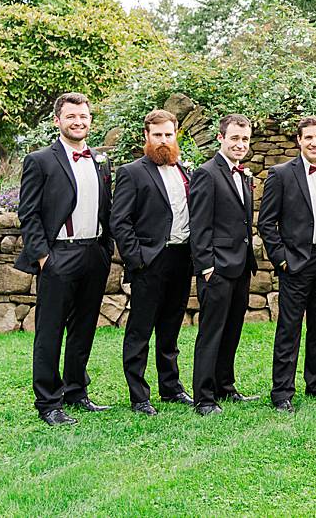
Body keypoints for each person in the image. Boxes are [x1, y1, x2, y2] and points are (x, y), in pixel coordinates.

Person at [17, 92, 114, 426]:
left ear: (90, 120)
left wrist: (106, 249)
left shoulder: (100, 160)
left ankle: (76, 391)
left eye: (83, 116)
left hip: (94, 253)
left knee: (84, 327)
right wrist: (43, 256)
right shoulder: (40, 160)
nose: (78, 122)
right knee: (50, 331)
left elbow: (107, 207)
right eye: (71, 116)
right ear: (57, 120)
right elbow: (28, 213)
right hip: (58, 254)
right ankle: (48, 402)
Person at [257, 116, 316, 413]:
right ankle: (282, 391)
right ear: (299, 140)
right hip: (296, 262)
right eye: (308, 137)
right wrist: (282, 259)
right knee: (289, 327)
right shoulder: (281, 174)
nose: (314, 143)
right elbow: (266, 223)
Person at [110, 109, 195, 415]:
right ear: (146, 136)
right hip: (150, 261)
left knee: (171, 329)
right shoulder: (132, 172)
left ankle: (171, 388)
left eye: (168, 134)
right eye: (157, 135)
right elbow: (120, 221)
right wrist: (138, 259)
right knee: (140, 331)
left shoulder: (185, 171)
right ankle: (139, 396)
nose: (163, 140)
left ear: (176, 135)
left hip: (182, 258)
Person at [189, 114, 259, 415]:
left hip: (241, 266)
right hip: (216, 268)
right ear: (221, 138)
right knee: (211, 333)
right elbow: (199, 224)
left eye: (245, 139)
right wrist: (206, 266)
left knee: (232, 330)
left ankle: (225, 386)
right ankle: (204, 397)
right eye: (235, 138)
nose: (240, 144)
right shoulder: (206, 173)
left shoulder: (243, 175)